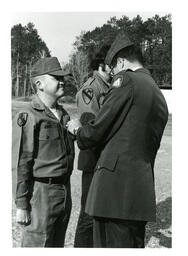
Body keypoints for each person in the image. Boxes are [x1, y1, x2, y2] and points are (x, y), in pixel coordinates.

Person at [67, 31, 169, 248]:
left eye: (112, 68)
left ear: (121, 62)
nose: (112, 74)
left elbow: (97, 130)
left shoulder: (127, 81)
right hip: (138, 194)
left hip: (113, 194)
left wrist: (78, 130)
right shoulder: (157, 92)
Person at [12, 57, 75, 247]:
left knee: (56, 244)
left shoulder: (63, 114)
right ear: (39, 84)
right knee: (38, 244)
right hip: (41, 194)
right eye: (56, 77)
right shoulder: (29, 116)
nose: (62, 81)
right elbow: (21, 162)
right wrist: (22, 204)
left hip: (64, 190)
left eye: (62, 77)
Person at [74, 51, 111, 247]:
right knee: (88, 214)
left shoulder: (109, 87)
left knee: (100, 212)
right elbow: (91, 128)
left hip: (104, 159)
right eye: (109, 64)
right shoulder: (91, 89)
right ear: (100, 66)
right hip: (93, 158)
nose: (112, 68)